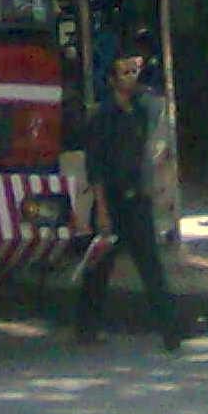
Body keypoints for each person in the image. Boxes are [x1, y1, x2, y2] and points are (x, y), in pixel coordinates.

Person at [75, 52, 184, 351]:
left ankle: (171, 331)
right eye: (124, 73)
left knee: (151, 266)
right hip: (111, 200)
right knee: (99, 269)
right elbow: (95, 168)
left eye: (133, 72)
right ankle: (86, 327)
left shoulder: (139, 111)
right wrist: (103, 211)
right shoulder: (102, 117)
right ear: (112, 80)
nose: (131, 78)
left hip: (136, 200)